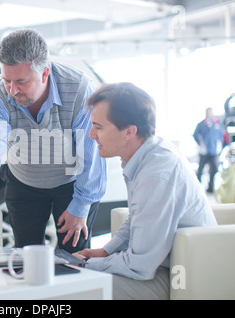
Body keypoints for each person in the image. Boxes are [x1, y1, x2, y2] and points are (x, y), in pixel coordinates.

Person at [0, 29, 106, 254]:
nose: (12, 90)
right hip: (24, 182)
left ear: (45, 73)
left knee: (75, 257)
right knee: (25, 257)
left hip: (71, 184)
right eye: (7, 79)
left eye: (21, 81)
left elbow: (93, 155)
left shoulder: (80, 89)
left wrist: (80, 206)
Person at [73, 83, 217, 300]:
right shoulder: (145, 155)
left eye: (99, 127)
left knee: (74, 288)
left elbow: (139, 266)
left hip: (181, 274)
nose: (91, 135)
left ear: (130, 131)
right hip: (164, 263)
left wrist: (87, 264)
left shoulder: (156, 173)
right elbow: (138, 217)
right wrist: (106, 251)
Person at [193, 107, 224, 192]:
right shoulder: (201, 124)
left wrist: (219, 145)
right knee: (200, 169)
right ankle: (197, 187)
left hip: (214, 151)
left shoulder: (217, 123)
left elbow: (221, 134)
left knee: (213, 170)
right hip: (204, 151)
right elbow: (195, 135)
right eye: (208, 113)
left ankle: (210, 188)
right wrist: (200, 143)